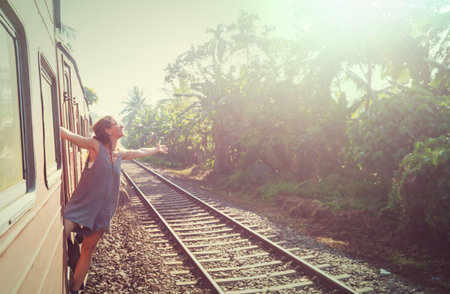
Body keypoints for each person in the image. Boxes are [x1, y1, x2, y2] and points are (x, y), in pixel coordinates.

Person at [60, 115, 168, 294]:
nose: (122, 125)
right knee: (59, 236)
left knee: (88, 249)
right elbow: (70, 136)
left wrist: (155, 149)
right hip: (81, 206)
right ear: (108, 130)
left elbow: (139, 151)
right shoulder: (95, 146)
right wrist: (50, 121)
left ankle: (74, 290)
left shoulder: (120, 154)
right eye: (118, 124)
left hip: (103, 211)